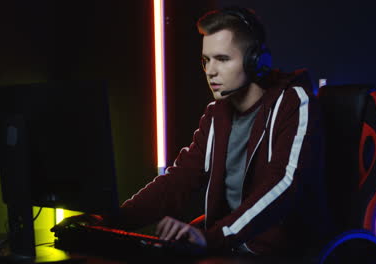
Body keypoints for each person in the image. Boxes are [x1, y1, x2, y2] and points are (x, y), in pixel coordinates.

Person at [55, 7, 330, 256]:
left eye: (222, 59)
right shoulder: (216, 114)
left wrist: (211, 238)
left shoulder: (293, 102)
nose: (210, 71)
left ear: (256, 61)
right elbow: (179, 180)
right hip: (229, 247)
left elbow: (282, 186)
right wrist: (109, 220)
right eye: (205, 60)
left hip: (281, 253)